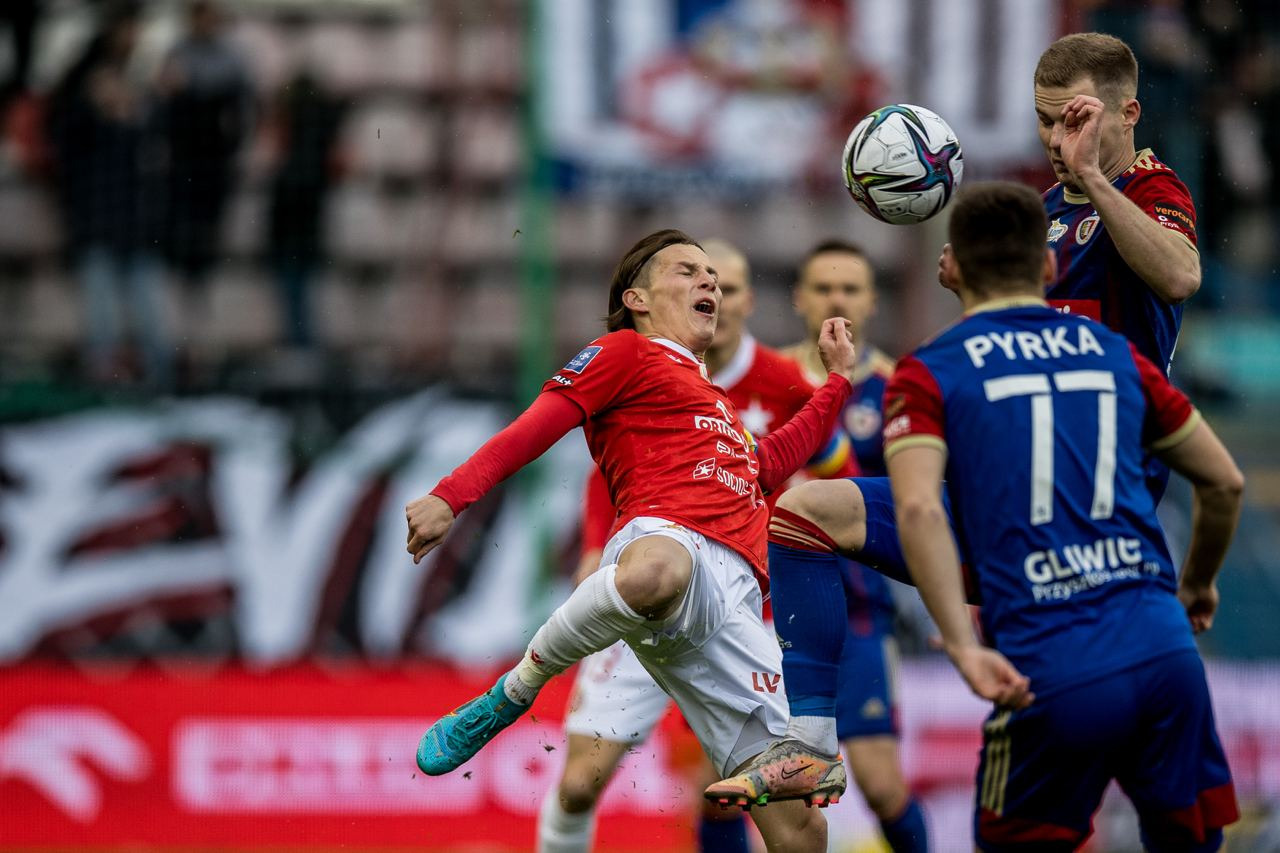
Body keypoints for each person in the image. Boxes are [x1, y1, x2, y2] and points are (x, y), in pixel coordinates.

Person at [407, 229, 858, 852]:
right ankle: (513, 693)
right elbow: (535, 428)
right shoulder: (623, 352)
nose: (708, 281)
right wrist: (451, 495)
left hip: (735, 613)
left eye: (713, 275)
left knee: (802, 828)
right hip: (664, 547)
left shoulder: (716, 403)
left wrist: (837, 382)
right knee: (653, 585)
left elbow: (769, 463)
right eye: (687, 271)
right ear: (637, 299)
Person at [884, 181, 1241, 851]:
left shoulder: (928, 372)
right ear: (1049, 266)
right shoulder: (1118, 355)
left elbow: (919, 506)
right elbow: (1224, 482)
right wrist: (1196, 584)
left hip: (1049, 666)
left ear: (952, 267)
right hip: (1165, 653)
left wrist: (961, 642)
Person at [538, 239, 837, 853]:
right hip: (652, 572)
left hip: (738, 597)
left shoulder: (780, 381)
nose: (713, 292)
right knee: (579, 784)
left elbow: (830, 467)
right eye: (694, 276)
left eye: (725, 283)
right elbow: (607, 472)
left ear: (747, 301)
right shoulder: (641, 366)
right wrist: (595, 546)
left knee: (731, 791)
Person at [779, 240, 928, 852]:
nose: (835, 299)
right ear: (799, 298)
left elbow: (918, 501)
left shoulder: (899, 389)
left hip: (860, 614)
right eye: (822, 287)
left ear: (871, 301)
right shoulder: (769, 379)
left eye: (849, 288)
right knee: (734, 786)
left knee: (882, 787)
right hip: (767, 611)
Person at [46, 0, 173, 387]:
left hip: (133, 223)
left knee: (147, 307)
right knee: (101, 309)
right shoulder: (82, 94)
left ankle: (156, 376)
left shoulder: (136, 108)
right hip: (97, 220)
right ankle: (106, 377)